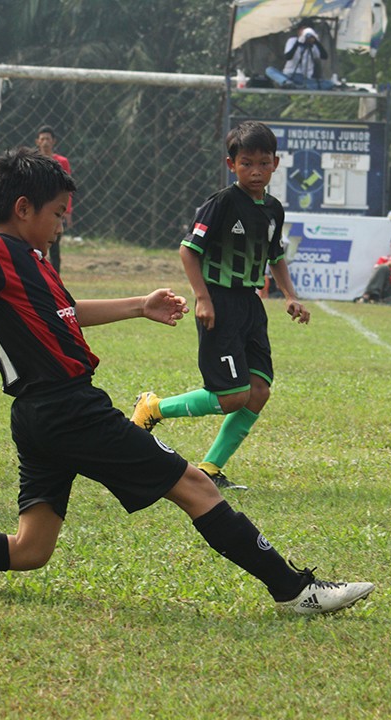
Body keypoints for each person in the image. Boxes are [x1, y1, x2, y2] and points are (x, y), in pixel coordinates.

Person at [0, 148, 373, 614]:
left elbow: (68, 312)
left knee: (31, 548)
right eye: (58, 213)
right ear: (24, 207)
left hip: (39, 417)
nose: (64, 222)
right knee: (198, 487)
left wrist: (139, 306)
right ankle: (294, 590)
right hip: (70, 408)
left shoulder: (33, 262)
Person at [130, 121, 308, 491]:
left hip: (251, 306)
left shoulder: (274, 210)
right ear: (232, 165)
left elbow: (275, 256)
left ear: (275, 163)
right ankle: (153, 407)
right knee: (231, 397)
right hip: (220, 304)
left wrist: (290, 295)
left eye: (263, 163)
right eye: (247, 163)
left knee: (258, 391)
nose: (255, 171)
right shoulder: (221, 204)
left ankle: (211, 469)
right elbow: (188, 250)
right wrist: (204, 298)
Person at [34, 125, 72, 273]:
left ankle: (56, 280)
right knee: (35, 246)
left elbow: (68, 189)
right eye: (42, 139)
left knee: (54, 246)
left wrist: (67, 211)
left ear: (53, 141)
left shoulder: (62, 162)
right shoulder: (33, 161)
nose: (45, 142)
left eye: (48, 139)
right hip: (37, 209)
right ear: (37, 141)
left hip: (55, 210)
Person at [264, 25, 334, 91]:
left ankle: (302, 88)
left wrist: (316, 42)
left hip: (304, 79)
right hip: (289, 75)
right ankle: (287, 83)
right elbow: (288, 57)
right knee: (269, 70)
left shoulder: (312, 45)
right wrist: (298, 43)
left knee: (329, 83)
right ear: (298, 31)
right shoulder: (292, 40)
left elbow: (324, 56)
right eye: (303, 30)